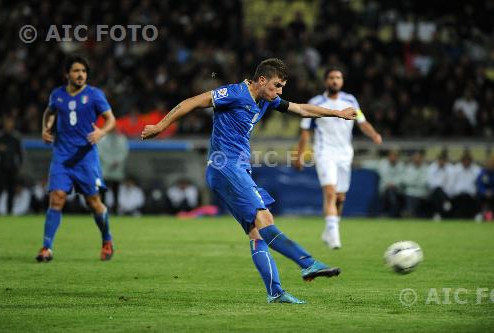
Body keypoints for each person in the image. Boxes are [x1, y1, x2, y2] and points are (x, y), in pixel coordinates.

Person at [141, 58, 357, 304]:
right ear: (262, 80)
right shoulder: (234, 93)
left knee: (258, 232)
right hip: (226, 167)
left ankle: (275, 293)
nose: (279, 92)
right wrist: (160, 126)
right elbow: (192, 102)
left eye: (282, 87)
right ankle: (308, 263)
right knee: (264, 220)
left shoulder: (266, 100)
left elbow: (302, 109)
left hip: (236, 169)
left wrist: (337, 113)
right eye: (277, 85)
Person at [36, 55, 116, 262]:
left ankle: (107, 240)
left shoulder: (95, 95)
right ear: (67, 74)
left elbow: (111, 120)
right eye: (76, 71)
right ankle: (47, 247)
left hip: (85, 157)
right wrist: (46, 128)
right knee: (56, 198)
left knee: (93, 202)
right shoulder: (58, 95)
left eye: (83, 71)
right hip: (62, 156)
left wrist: (101, 133)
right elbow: (50, 113)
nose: (80, 75)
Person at [295, 67, 382, 249]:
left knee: (340, 197)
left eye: (338, 77)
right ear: (326, 81)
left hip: (344, 153)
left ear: (342, 81)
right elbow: (305, 131)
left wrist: (373, 134)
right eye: (332, 77)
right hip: (324, 151)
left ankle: (330, 229)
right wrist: (299, 155)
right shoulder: (316, 102)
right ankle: (334, 236)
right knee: (330, 193)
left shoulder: (350, 100)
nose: (335, 80)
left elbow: (362, 122)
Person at [0, 116, 24, 215]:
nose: (9, 125)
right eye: (7, 123)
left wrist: (19, 166)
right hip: (0, 168)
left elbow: (20, 154)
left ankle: (9, 211)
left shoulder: (15, 138)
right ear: (4, 124)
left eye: (10, 123)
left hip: (12, 168)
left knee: (11, 191)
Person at [97, 128, 129, 214]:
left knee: (116, 192)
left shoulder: (122, 139)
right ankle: (102, 210)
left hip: (117, 171)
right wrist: (111, 162)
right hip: (106, 171)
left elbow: (124, 152)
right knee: (103, 192)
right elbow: (100, 153)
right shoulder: (102, 139)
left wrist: (117, 161)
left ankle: (115, 211)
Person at [427, 150, 455, 221]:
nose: (441, 162)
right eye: (440, 160)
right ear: (437, 160)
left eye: (443, 160)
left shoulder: (451, 169)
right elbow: (431, 183)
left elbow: (450, 184)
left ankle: (437, 214)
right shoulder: (432, 168)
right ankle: (445, 203)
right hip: (434, 192)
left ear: (446, 161)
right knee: (437, 190)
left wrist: (443, 190)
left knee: (439, 192)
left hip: (447, 192)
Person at [477, 155, 494, 222]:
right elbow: (479, 185)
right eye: (488, 163)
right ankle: (481, 214)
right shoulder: (482, 173)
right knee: (479, 197)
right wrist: (485, 192)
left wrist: (492, 191)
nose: (490, 164)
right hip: (484, 194)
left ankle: (490, 214)